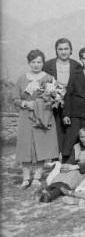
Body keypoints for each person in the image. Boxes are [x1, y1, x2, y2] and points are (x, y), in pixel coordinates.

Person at [13, 49, 60, 189]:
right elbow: (15, 98)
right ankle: (26, 178)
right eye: (33, 62)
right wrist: (25, 103)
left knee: (42, 146)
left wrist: (47, 100)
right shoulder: (22, 79)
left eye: (39, 62)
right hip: (26, 116)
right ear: (29, 63)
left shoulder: (49, 78)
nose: (36, 65)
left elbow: (55, 97)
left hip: (43, 116)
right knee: (25, 146)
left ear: (43, 63)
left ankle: (37, 177)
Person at [40, 125, 85, 203]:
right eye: (82, 137)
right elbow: (71, 160)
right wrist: (67, 165)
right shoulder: (76, 146)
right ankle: (47, 190)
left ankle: (52, 194)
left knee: (70, 177)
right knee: (63, 173)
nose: (84, 140)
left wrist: (75, 167)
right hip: (74, 169)